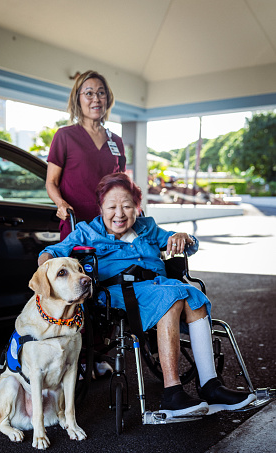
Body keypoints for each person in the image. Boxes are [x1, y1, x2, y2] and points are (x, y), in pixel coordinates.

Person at [38, 173, 256, 417]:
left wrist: (185, 237)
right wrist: (46, 269)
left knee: (193, 296)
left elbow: (187, 245)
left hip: (159, 287)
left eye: (127, 206)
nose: (119, 214)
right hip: (120, 294)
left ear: (137, 208)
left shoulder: (148, 227)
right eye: (111, 207)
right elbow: (51, 251)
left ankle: (210, 385)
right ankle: (172, 392)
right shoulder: (87, 231)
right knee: (174, 297)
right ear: (101, 208)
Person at [46, 70, 126, 241]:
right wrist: (61, 204)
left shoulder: (117, 141)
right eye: (89, 93)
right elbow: (51, 182)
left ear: (108, 99)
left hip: (110, 225)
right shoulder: (64, 136)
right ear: (78, 99)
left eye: (101, 93)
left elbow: (121, 185)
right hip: (76, 225)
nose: (96, 99)